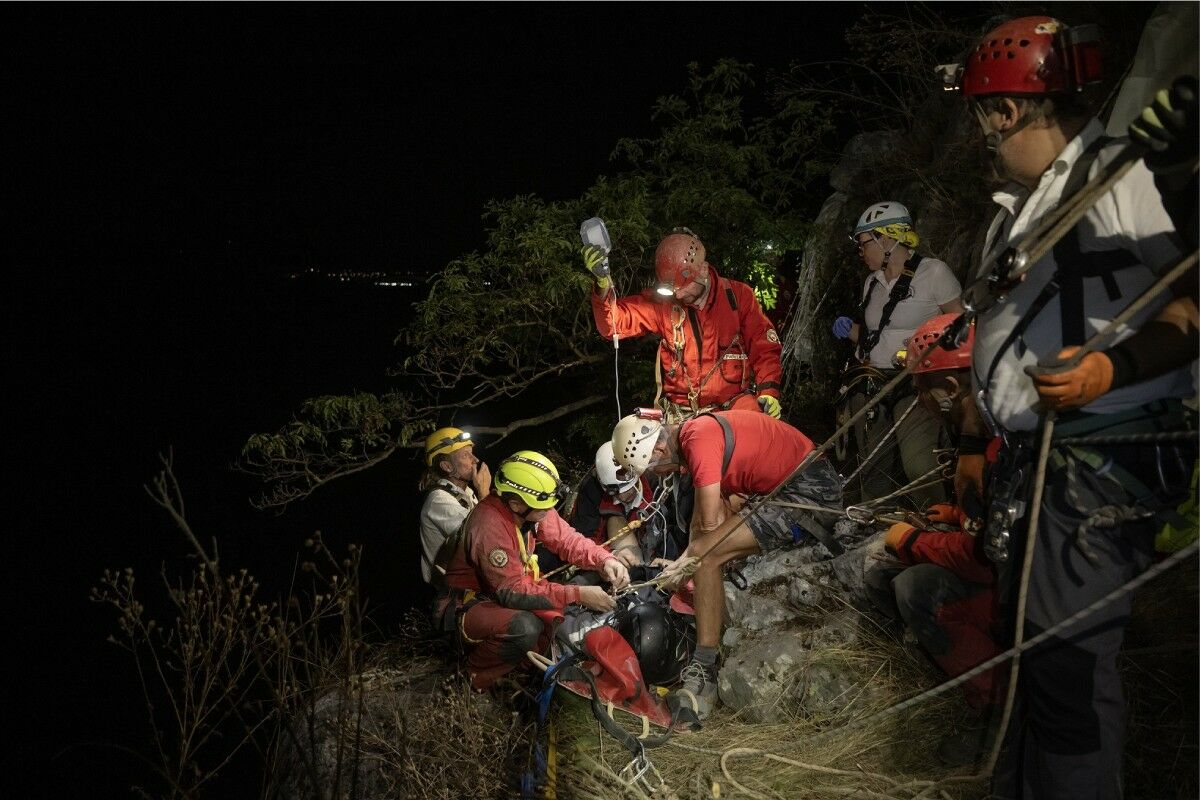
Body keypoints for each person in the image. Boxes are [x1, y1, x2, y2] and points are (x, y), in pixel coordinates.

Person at [951, 16, 1198, 799]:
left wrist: (1109, 367)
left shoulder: (1119, 179)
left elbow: (1193, 301)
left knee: (1066, 668)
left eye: (985, 116)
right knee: (1029, 656)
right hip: (1045, 462)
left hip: (1098, 457)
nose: (984, 136)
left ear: (1008, 111)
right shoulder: (1031, 202)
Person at [610, 408, 843, 721]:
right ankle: (707, 643)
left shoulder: (698, 440)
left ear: (660, 449)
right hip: (797, 485)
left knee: (707, 555)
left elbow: (708, 531)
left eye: (655, 469)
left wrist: (687, 564)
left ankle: (704, 663)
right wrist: (683, 561)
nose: (660, 475)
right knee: (703, 547)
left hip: (808, 495)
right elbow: (701, 526)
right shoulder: (695, 435)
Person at [862, 314, 1006, 766]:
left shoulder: (998, 451)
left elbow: (984, 558)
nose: (920, 399)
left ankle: (999, 708)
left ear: (948, 387)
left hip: (1023, 595)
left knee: (915, 587)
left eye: (923, 388)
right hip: (1027, 577)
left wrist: (909, 542)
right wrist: (959, 513)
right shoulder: (993, 435)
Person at [439, 450, 630, 691]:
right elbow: (510, 592)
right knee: (525, 627)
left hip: (500, 592)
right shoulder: (489, 524)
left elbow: (566, 540)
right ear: (515, 504)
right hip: (466, 605)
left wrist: (605, 560)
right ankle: (468, 680)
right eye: (542, 509)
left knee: (553, 612)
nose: (547, 513)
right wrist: (578, 594)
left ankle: (518, 673)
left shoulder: (529, 508)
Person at [832, 202, 963, 508]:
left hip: (915, 383)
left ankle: (936, 524)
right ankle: (873, 528)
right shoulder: (871, 283)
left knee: (919, 464)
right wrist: (852, 332)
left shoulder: (933, 273)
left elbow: (961, 327)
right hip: (873, 383)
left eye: (865, 244)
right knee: (872, 466)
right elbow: (876, 335)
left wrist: (929, 356)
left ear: (887, 240)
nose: (861, 252)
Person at [582, 228, 784, 421]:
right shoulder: (663, 303)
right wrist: (603, 286)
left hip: (732, 405)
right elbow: (612, 325)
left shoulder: (738, 297)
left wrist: (769, 391)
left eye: (682, 287)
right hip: (681, 413)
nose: (677, 295)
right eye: (671, 289)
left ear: (703, 269)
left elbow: (764, 349)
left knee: (762, 428)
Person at [569, 441, 686, 569]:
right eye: (616, 492)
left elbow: (673, 528)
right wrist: (610, 555)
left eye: (628, 489)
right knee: (614, 518)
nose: (623, 496)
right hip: (609, 555)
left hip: (654, 551)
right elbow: (583, 537)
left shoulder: (656, 483)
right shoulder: (591, 490)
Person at [418, 427, 491, 589]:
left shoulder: (467, 492)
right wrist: (484, 493)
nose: (476, 460)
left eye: (472, 453)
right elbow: (486, 537)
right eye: (466, 455)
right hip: (452, 595)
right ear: (447, 466)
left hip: (471, 582)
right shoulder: (439, 500)